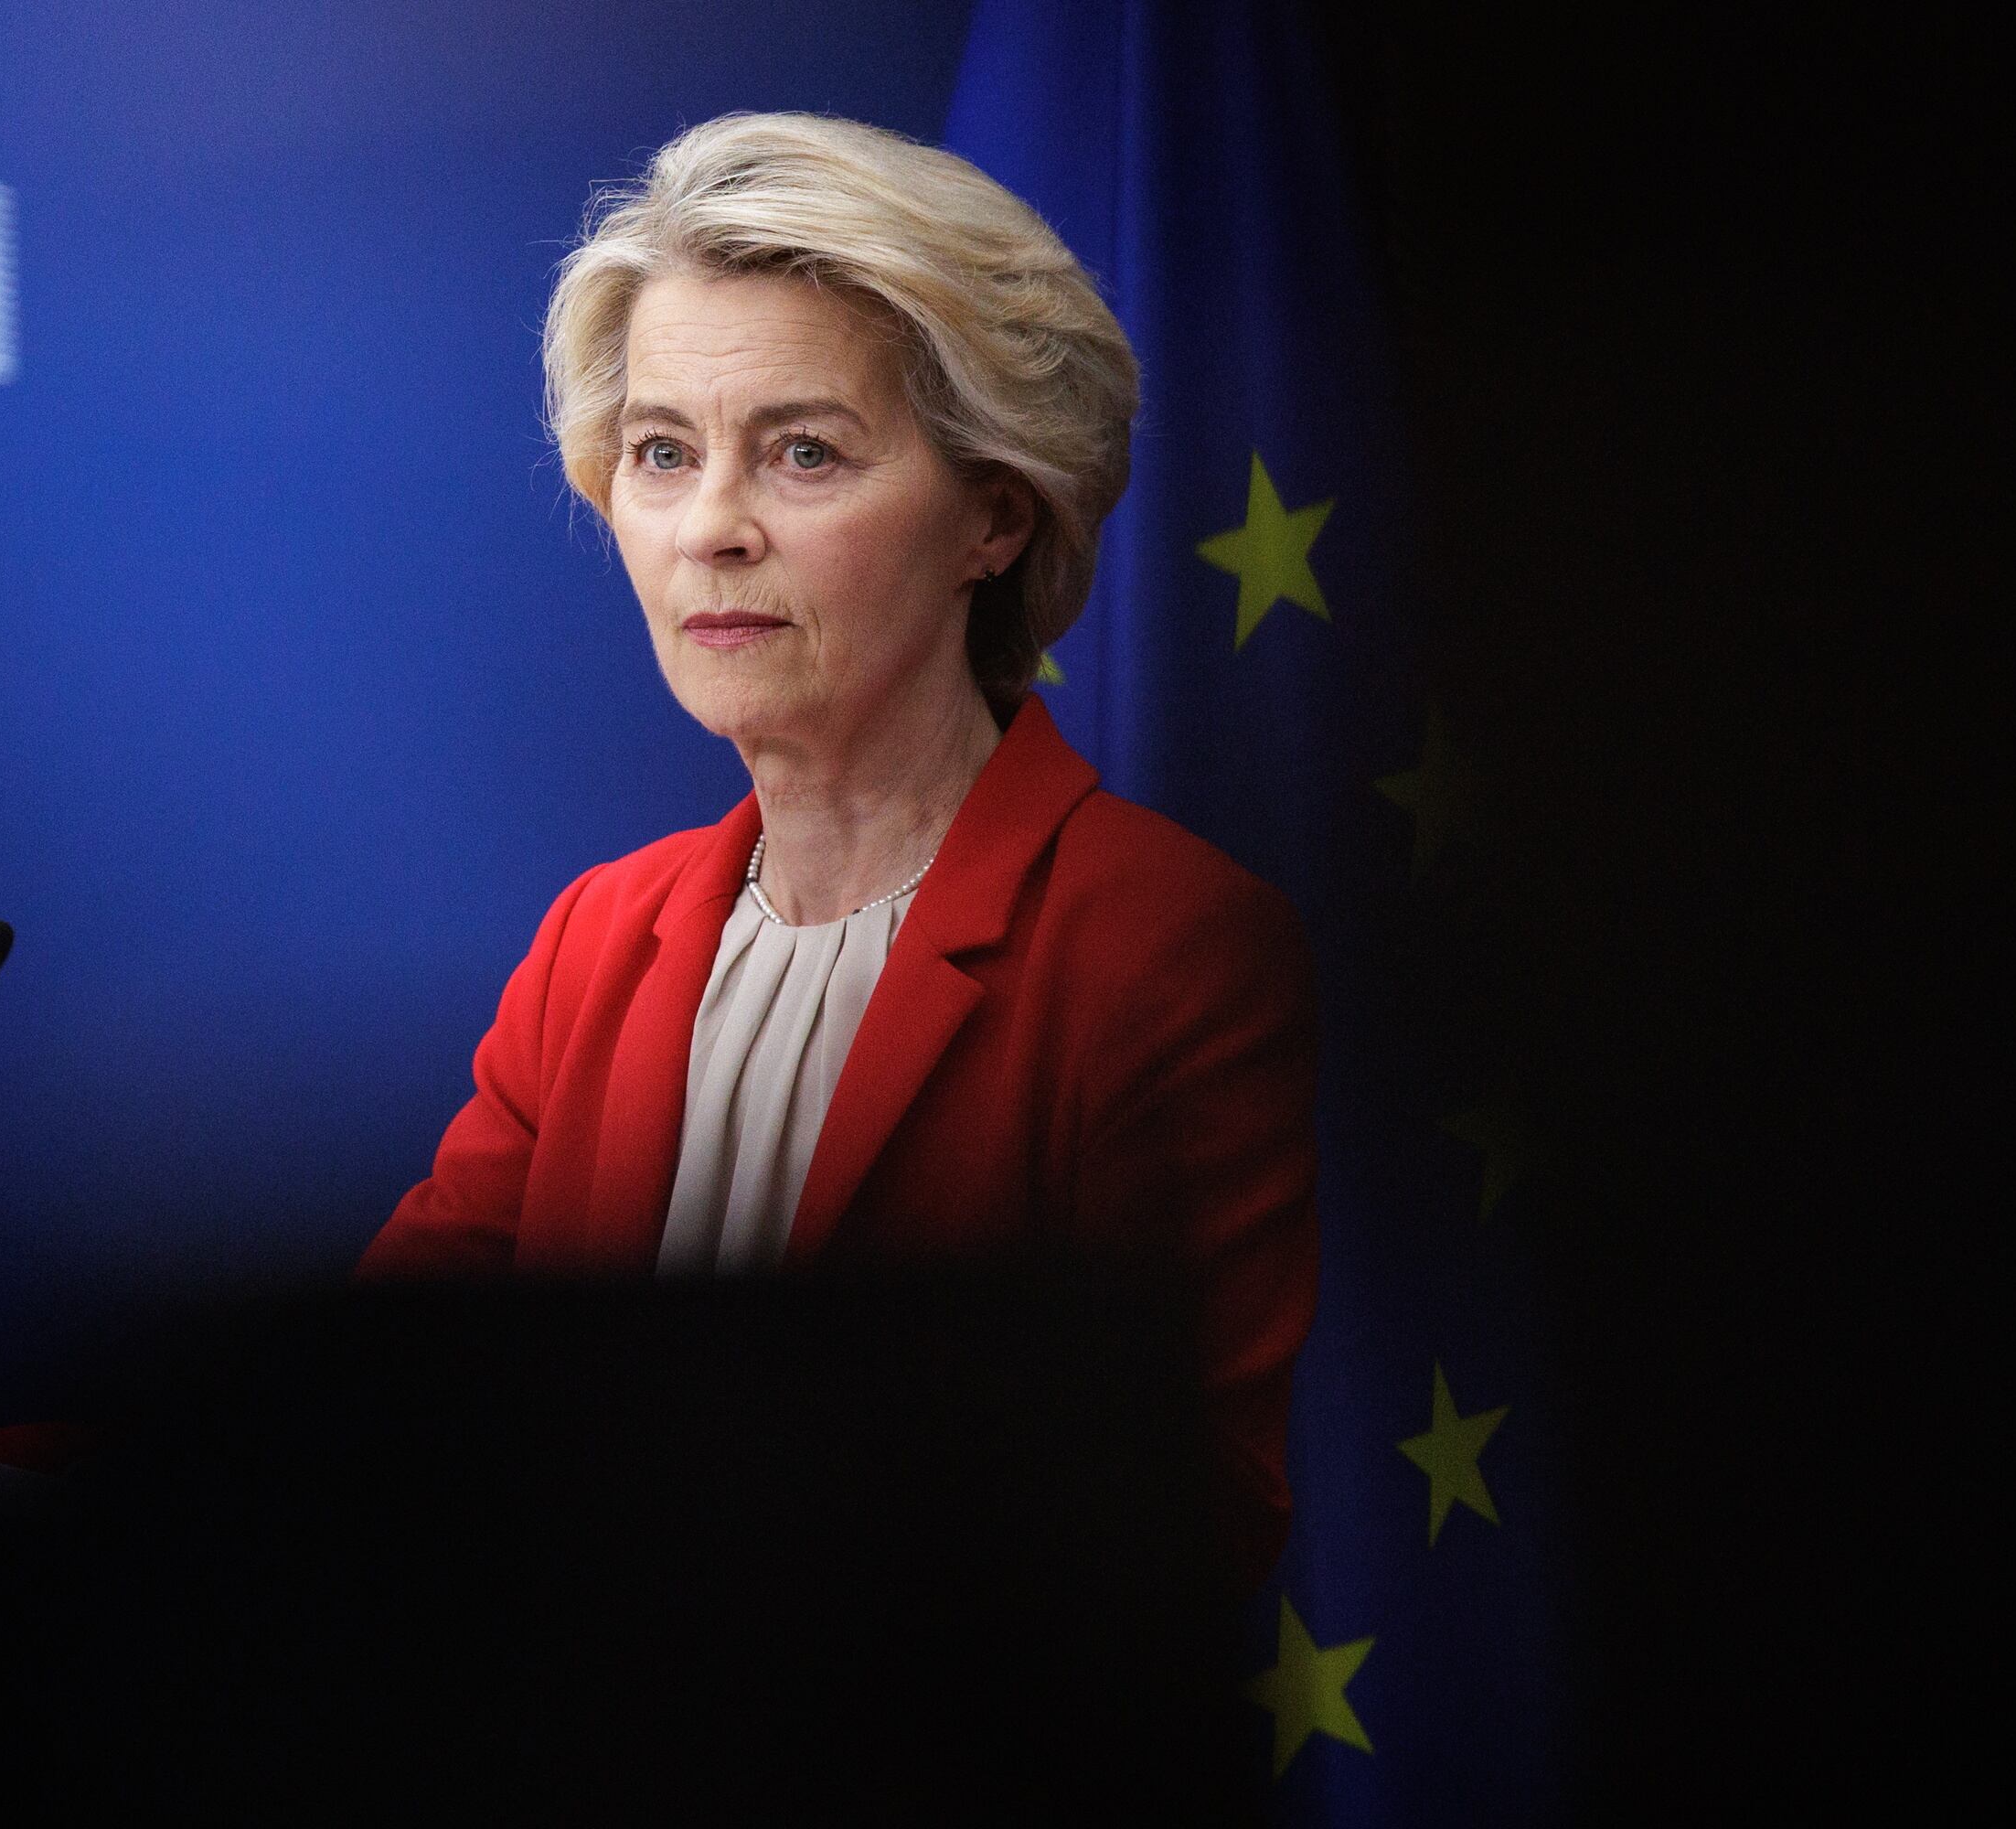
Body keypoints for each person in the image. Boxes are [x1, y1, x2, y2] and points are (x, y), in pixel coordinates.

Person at [358, 112, 1317, 1581]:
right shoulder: (600, 938)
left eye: (802, 453)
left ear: (994, 514)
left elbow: (1182, 1527)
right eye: (662, 453)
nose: (711, 529)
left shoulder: (1160, 948)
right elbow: (371, 1400)